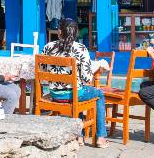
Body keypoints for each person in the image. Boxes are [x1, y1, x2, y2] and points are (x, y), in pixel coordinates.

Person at [41, 18, 110, 148]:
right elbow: (86, 78)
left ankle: (79, 137)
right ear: (76, 33)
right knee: (99, 94)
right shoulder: (80, 48)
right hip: (74, 94)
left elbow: (44, 70)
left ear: (59, 32)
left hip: (55, 95)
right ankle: (100, 137)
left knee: (77, 92)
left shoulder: (47, 47)